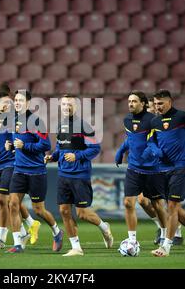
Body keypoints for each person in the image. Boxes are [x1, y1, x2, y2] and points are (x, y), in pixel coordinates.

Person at [45, 94, 113, 256]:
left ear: (76, 107)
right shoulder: (60, 126)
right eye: (64, 105)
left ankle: (104, 227)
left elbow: (95, 148)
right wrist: (52, 157)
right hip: (63, 174)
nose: (66, 107)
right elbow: (60, 148)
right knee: (64, 211)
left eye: (70, 104)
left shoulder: (84, 126)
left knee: (83, 214)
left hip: (80, 174)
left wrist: (78, 156)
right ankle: (76, 247)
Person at [0, 84, 40, 250]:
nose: (7, 105)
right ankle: (30, 225)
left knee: (2, 199)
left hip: (11, 163)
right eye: (4, 103)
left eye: (9, 103)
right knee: (11, 201)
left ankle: (2, 238)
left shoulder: (14, 118)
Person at [147, 90, 185, 258]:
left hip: (179, 166)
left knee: (172, 207)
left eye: (161, 103)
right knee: (174, 208)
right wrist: (155, 150)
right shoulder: (154, 121)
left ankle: (165, 246)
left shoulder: (183, 117)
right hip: (161, 169)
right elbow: (150, 140)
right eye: (156, 104)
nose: (158, 107)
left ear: (170, 102)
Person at [6, 90, 63, 253]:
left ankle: (57, 232)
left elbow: (45, 145)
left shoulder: (36, 122)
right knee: (13, 204)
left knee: (39, 210)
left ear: (28, 103)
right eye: (15, 100)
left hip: (36, 171)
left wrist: (25, 147)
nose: (17, 103)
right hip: (19, 170)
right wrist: (11, 146)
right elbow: (18, 142)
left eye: (20, 100)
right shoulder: (14, 120)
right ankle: (17, 243)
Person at [115, 91, 168, 248]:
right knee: (128, 203)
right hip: (134, 168)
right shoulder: (127, 120)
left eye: (134, 101)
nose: (130, 103)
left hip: (153, 169)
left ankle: (165, 234)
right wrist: (120, 151)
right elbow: (130, 139)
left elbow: (159, 142)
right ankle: (132, 240)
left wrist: (150, 153)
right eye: (129, 101)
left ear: (143, 103)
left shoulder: (153, 120)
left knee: (158, 204)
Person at [142, 96, 183, 245]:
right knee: (143, 201)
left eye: (151, 108)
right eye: (148, 108)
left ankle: (177, 231)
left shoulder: (162, 124)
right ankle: (161, 227)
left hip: (161, 166)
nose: (150, 110)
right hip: (146, 166)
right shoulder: (145, 123)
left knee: (169, 201)